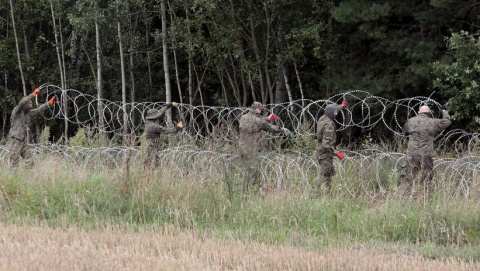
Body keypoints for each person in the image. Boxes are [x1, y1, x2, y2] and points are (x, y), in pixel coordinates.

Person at [238, 102, 291, 196]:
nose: (261, 111)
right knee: (254, 173)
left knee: (247, 171)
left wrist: (268, 118)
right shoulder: (259, 121)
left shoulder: (244, 117)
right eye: (260, 109)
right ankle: (254, 194)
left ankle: (244, 191)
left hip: (242, 148)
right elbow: (271, 128)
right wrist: (283, 130)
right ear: (257, 109)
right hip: (252, 150)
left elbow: (256, 120)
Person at [400, 104, 451, 196]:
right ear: (429, 113)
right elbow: (446, 122)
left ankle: (405, 198)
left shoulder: (411, 121)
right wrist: (444, 111)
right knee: (426, 178)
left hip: (412, 155)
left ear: (419, 112)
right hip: (426, 155)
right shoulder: (433, 122)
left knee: (407, 178)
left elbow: (404, 132)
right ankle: (425, 198)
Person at [6, 87, 57, 166]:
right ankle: (14, 177)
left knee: (30, 160)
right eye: (29, 104)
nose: (31, 105)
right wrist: (33, 94)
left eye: (31, 103)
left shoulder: (28, 114)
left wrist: (50, 102)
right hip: (15, 139)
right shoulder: (17, 111)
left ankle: (27, 176)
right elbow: (22, 102)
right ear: (25, 105)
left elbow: (39, 110)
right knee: (14, 163)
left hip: (23, 140)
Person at [143, 102, 183, 172]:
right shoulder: (154, 126)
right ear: (154, 118)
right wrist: (178, 127)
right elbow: (168, 131)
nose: (159, 117)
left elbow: (161, 111)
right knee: (151, 167)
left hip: (149, 147)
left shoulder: (148, 122)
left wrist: (170, 105)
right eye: (157, 116)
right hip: (152, 148)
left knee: (151, 166)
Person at [316, 102, 346, 191]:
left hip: (320, 151)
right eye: (335, 112)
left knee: (328, 173)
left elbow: (330, 109)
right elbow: (326, 144)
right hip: (325, 153)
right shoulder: (329, 125)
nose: (336, 113)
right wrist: (337, 153)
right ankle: (314, 193)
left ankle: (328, 192)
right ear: (330, 112)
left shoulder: (322, 118)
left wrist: (341, 106)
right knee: (324, 174)